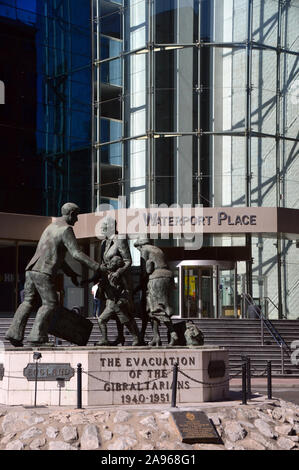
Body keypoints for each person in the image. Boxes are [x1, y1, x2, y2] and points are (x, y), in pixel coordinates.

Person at [5, 202, 100, 347]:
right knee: (50, 303)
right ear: (71, 214)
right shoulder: (66, 229)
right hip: (43, 271)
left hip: (31, 270)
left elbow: (56, 255)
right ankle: (37, 336)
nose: (77, 220)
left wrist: (71, 274)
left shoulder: (50, 227)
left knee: (28, 301)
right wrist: (97, 267)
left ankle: (14, 334)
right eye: (76, 216)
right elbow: (76, 253)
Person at [87, 217, 140, 346]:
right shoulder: (103, 243)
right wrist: (92, 278)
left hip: (120, 283)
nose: (101, 230)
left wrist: (118, 272)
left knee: (120, 311)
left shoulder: (119, 239)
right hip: (108, 283)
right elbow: (102, 264)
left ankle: (133, 337)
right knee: (118, 313)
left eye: (103, 227)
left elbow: (128, 261)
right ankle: (122, 337)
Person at [134, 238, 178, 346]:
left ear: (140, 246)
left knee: (157, 308)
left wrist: (139, 284)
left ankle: (173, 333)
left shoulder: (145, 249)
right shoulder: (157, 249)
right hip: (167, 276)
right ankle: (156, 337)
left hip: (156, 278)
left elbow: (146, 269)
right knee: (152, 309)